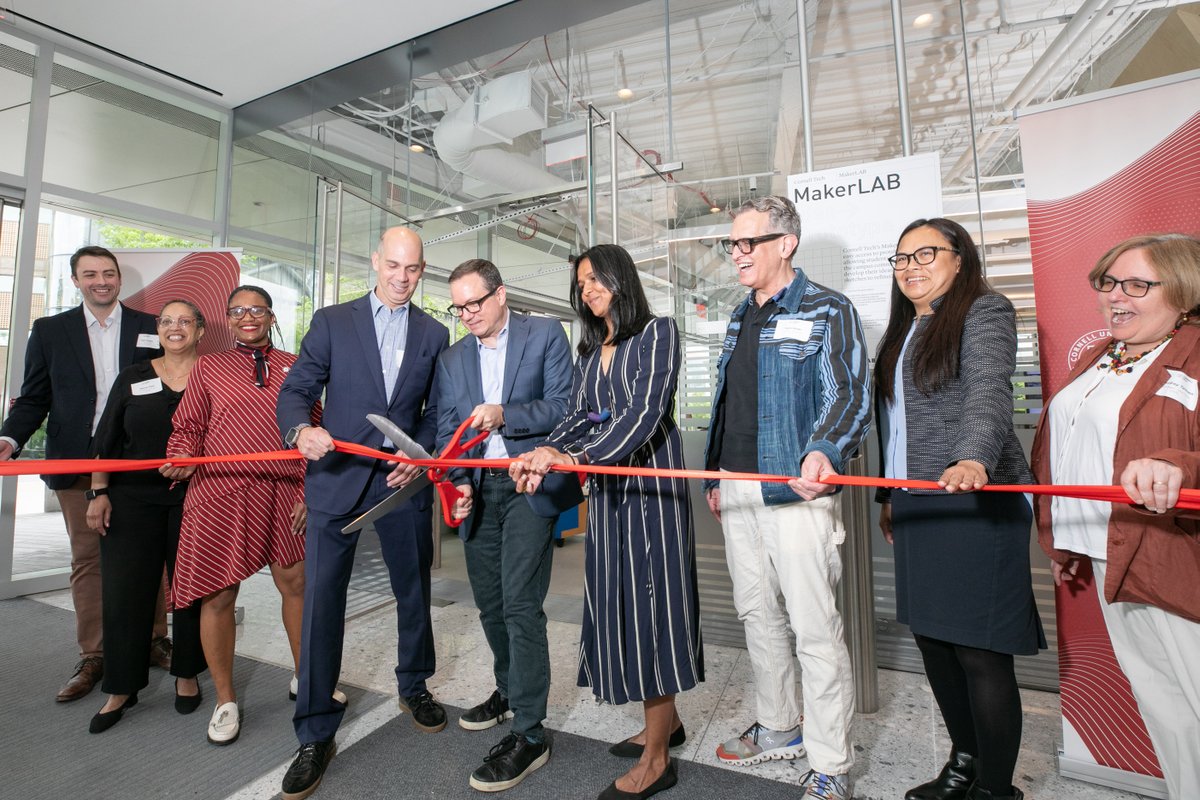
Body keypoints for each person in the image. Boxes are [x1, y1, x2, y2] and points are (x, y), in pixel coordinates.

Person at [511, 243, 704, 800]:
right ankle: (665, 722)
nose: (589, 289)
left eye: (597, 278)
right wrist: (545, 454)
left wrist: (574, 459)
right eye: (582, 283)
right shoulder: (592, 350)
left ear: (622, 279)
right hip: (612, 497)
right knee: (621, 603)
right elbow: (576, 418)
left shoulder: (657, 333)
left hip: (651, 495)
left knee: (653, 611)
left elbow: (643, 416)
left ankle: (659, 758)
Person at [869, 218, 1043, 800]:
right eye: (901, 259)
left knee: (979, 650)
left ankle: (996, 790)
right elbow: (893, 428)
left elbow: (988, 392)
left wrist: (972, 460)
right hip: (918, 501)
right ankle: (963, 765)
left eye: (926, 254)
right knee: (934, 641)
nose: (911, 267)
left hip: (973, 499)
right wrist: (888, 494)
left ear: (960, 258)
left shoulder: (985, 312)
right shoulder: (902, 331)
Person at [702, 196, 869, 800]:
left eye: (749, 243)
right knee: (757, 614)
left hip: (795, 489)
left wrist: (824, 451)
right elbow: (730, 403)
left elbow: (850, 393)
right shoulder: (739, 314)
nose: (738, 255)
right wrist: (719, 475)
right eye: (733, 244)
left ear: (786, 244)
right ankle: (779, 726)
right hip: (738, 487)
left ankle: (831, 763)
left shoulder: (828, 308)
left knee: (814, 628)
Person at [275, 227, 449, 800]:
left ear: (423, 271)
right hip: (336, 480)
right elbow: (297, 388)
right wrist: (302, 429)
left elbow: (433, 412)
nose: (403, 278)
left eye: (414, 269)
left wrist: (418, 455)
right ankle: (314, 730)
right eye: (394, 265)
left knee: (413, 589)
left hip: (401, 481)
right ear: (375, 262)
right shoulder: (332, 321)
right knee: (323, 601)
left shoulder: (434, 332)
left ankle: (414, 684)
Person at [1034, 233, 1200, 800]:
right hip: (1115, 555)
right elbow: (1067, 448)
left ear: (1182, 292)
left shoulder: (1196, 354)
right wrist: (1064, 538)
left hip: (1177, 561)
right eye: (1108, 283)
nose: (1115, 297)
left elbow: (1176, 455)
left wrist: (1178, 465)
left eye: (1137, 284)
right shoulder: (1099, 355)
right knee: (1164, 709)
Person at [433, 258, 578, 792]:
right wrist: (459, 481)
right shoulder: (452, 359)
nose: (467, 314)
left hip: (528, 483)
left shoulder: (545, 335)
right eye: (459, 306)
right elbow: (449, 427)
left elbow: (564, 408)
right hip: (482, 487)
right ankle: (508, 688)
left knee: (519, 601)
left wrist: (505, 415)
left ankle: (531, 733)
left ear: (501, 294)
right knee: (490, 600)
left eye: (475, 302)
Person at [0, 245, 169, 702]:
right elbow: (34, 397)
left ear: (119, 278)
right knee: (88, 560)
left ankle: (154, 639)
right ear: (75, 279)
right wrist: (10, 439)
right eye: (90, 273)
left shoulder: (149, 326)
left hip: (139, 463)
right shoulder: (51, 330)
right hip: (78, 461)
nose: (101, 280)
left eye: (108, 273)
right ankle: (94, 654)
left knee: (149, 556)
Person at [163, 285, 314, 746]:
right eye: (238, 311)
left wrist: (311, 488)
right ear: (227, 319)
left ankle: (306, 679)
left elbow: (314, 428)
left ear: (270, 316)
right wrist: (181, 457)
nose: (247, 317)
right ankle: (225, 700)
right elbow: (188, 426)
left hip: (284, 490)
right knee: (218, 596)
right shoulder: (209, 366)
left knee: (297, 585)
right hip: (221, 491)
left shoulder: (298, 366)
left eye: (257, 310)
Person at [85, 299, 209, 733]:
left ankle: (187, 673)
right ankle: (121, 686)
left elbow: (230, 435)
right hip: (131, 498)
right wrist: (97, 492)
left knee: (191, 590)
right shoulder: (134, 375)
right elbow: (106, 440)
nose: (175, 328)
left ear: (200, 329)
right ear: (158, 329)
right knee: (125, 592)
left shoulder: (214, 377)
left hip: (195, 498)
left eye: (184, 321)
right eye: (167, 321)